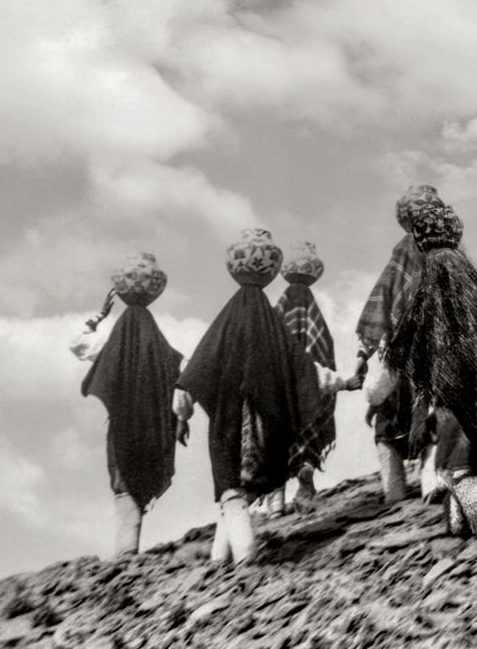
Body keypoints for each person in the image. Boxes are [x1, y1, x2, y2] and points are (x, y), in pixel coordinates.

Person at [172, 229, 325, 564]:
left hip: (228, 424)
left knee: (229, 490)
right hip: (267, 427)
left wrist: (182, 417)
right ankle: (219, 560)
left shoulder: (227, 321)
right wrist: (342, 382)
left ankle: (245, 556)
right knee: (239, 494)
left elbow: (194, 372)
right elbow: (306, 369)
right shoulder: (273, 325)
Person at [383, 205, 477, 537]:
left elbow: (405, 342)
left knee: (456, 468)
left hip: (458, 397)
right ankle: (466, 522)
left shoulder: (432, 284)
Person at [70, 253, 183, 557]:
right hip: (152, 430)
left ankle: (125, 551)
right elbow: (181, 379)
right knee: (140, 478)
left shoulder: (112, 346)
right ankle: (128, 547)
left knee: (123, 482)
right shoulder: (163, 350)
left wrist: (99, 318)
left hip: (122, 428)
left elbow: (78, 343)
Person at [352, 185, 445, 503]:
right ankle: (432, 483)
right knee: (433, 418)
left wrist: (363, 355)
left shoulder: (402, 254)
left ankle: (395, 492)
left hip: (401, 354)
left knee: (387, 427)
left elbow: (381, 303)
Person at [265, 242, 357, 517]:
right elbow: (320, 360)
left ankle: (275, 504)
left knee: (275, 445)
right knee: (306, 437)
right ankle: (305, 484)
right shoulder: (315, 319)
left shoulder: (276, 316)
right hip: (309, 395)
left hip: (278, 397)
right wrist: (341, 383)